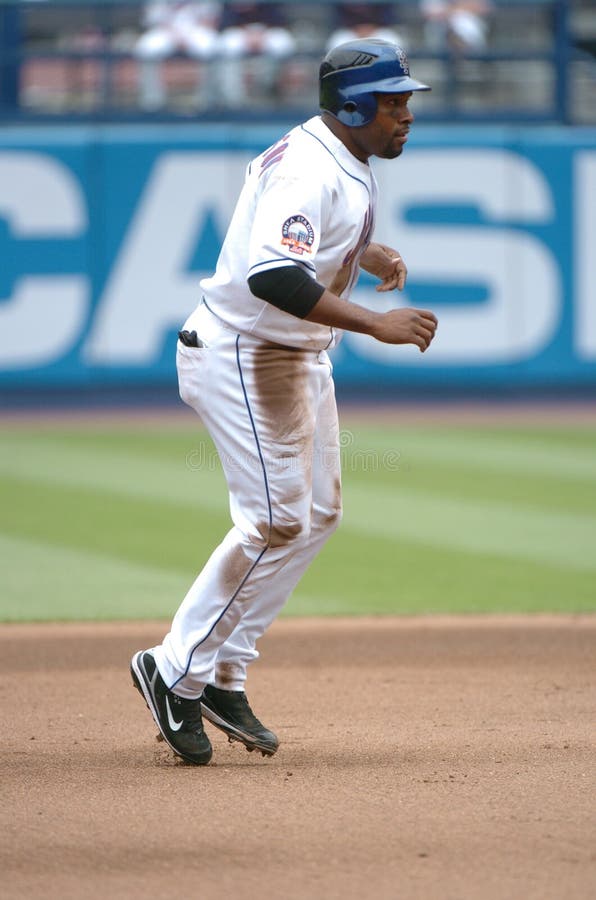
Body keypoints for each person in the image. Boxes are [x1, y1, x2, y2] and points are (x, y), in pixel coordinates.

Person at [131, 38, 438, 766]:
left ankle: (221, 673)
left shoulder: (334, 154)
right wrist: (375, 323)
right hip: (245, 354)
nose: (406, 115)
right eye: (393, 101)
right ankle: (174, 670)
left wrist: (366, 251)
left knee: (317, 515)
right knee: (274, 519)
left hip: (291, 356)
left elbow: (293, 234)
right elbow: (272, 274)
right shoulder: (308, 166)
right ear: (353, 105)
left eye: (406, 100)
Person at [134, 1, 221, 110]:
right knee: (146, 48)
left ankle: (208, 101)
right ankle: (152, 102)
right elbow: (154, 20)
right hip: (166, 31)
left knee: (212, 46)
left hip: (196, 30)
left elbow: (210, 21)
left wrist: (187, 35)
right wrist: (175, 35)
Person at [214, 2, 296, 107]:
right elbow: (225, 22)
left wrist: (260, 34)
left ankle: (272, 89)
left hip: (266, 31)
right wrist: (247, 33)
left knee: (283, 42)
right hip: (239, 32)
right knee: (229, 44)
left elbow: (279, 20)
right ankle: (233, 100)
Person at [326, 3, 407, 52]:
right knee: (337, 41)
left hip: (378, 29)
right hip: (351, 30)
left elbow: (388, 15)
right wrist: (358, 29)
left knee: (393, 41)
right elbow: (339, 16)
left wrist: (370, 28)